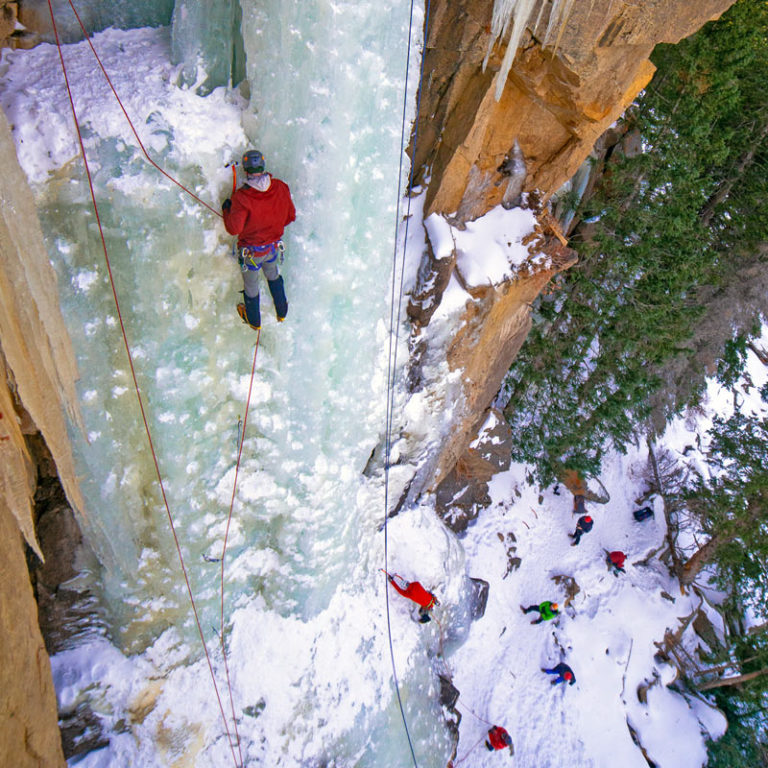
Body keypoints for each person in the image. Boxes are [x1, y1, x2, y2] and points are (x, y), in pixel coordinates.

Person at [222, 149, 296, 330]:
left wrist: (226, 209)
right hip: (272, 248)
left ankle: (254, 321)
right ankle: (282, 312)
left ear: (245, 169)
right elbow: (290, 216)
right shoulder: (280, 187)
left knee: (251, 285)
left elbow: (234, 229)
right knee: (273, 275)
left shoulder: (242, 197)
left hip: (251, 253)